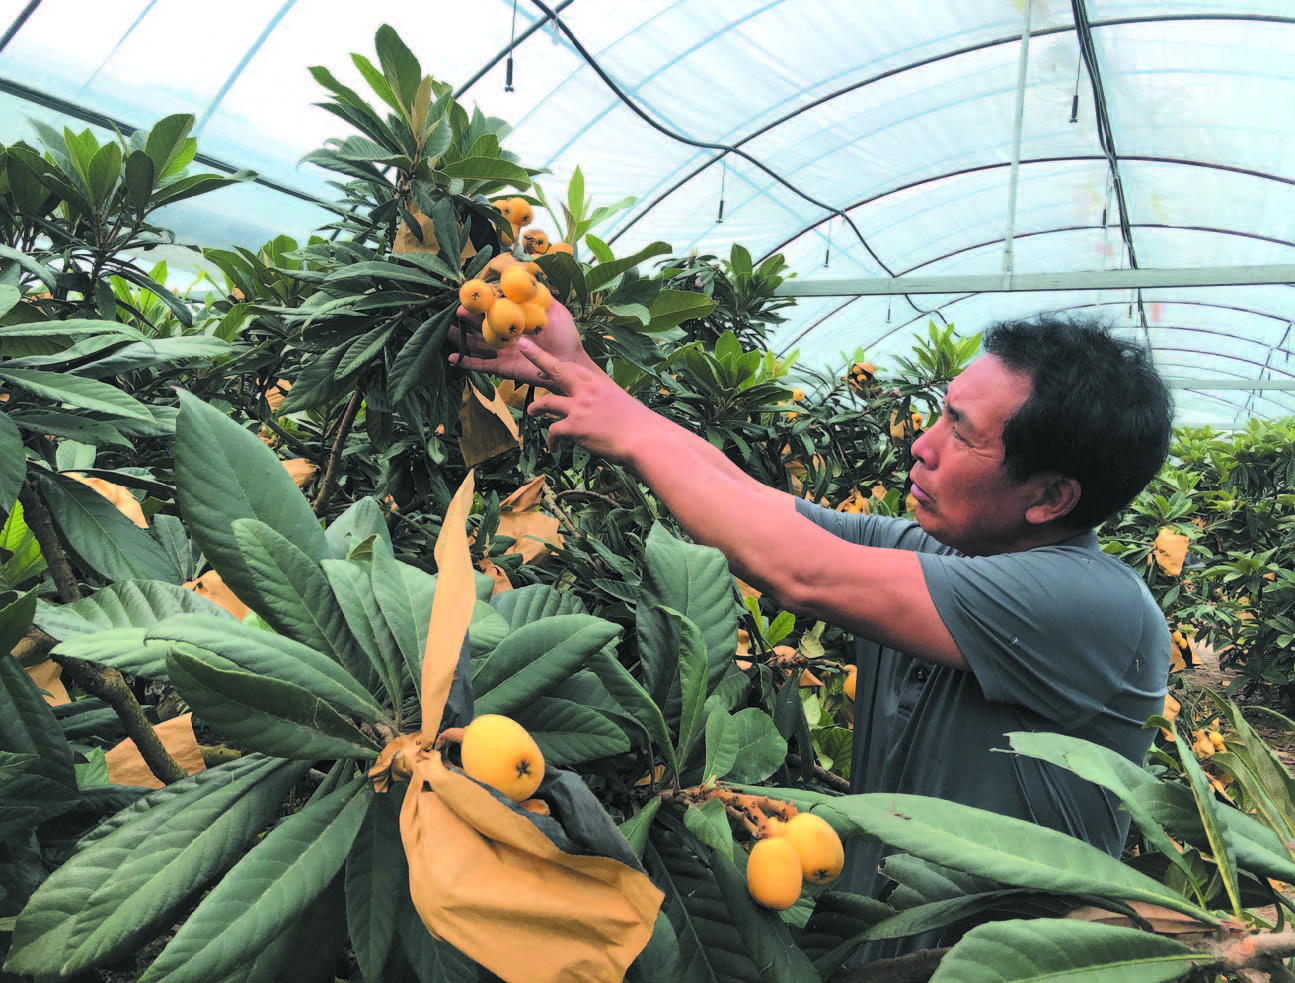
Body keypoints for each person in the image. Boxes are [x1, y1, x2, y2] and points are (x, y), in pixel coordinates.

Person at [450, 300, 1174, 962]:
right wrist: (576, 375)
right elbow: (754, 503)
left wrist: (631, 431)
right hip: (870, 950)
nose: (921, 445)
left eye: (960, 433)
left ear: (1049, 496)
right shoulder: (942, 553)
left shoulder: (1090, 603)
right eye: (940, 413)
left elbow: (799, 569)